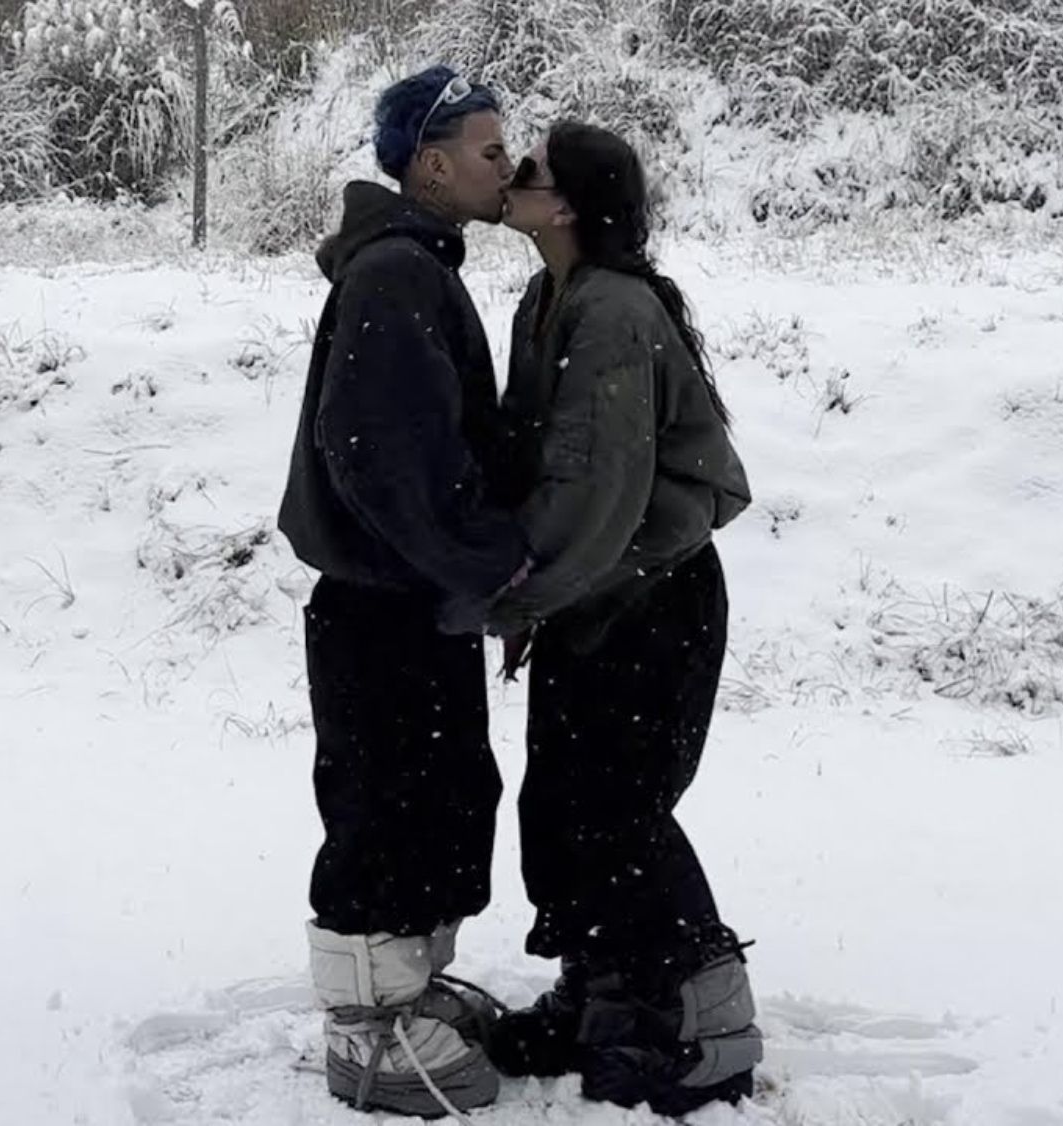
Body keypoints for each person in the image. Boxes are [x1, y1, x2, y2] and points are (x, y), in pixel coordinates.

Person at [478, 121, 762, 1116]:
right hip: (595, 596)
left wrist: (507, 595)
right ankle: (599, 995)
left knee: (618, 815)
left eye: (529, 171)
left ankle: (711, 1024)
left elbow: (591, 493)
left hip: (651, 600)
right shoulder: (546, 297)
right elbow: (535, 464)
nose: (509, 177)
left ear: (567, 206)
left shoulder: (609, 312)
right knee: (564, 809)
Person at [276, 65, 529, 1117]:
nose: (504, 165)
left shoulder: (421, 263)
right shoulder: (394, 275)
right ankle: (370, 1032)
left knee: (438, 795)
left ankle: (406, 990)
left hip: (406, 597)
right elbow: (377, 452)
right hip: (380, 602)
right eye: (486, 149)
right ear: (429, 163)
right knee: (386, 807)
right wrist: (483, 559)